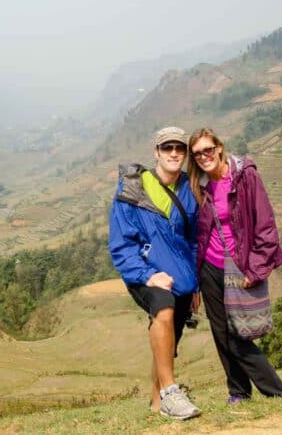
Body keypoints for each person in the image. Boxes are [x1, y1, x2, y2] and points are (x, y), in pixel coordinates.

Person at [186, 127, 282, 404]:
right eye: (197, 154)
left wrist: (256, 270)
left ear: (219, 147)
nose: (203, 157)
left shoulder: (245, 176)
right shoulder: (199, 186)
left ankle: (276, 390)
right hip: (209, 268)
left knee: (239, 334)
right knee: (221, 333)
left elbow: (265, 225)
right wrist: (194, 281)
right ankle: (238, 391)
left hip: (240, 266)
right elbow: (196, 235)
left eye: (208, 150)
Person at [108, 126, 202, 420]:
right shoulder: (133, 189)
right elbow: (121, 244)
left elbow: (194, 240)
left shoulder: (189, 189)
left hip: (181, 277)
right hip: (145, 273)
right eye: (167, 148)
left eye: (180, 148)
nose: (174, 153)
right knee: (162, 309)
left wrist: (195, 283)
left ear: (185, 154)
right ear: (156, 153)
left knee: (169, 342)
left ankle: (156, 402)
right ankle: (171, 392)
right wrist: (147, 275)